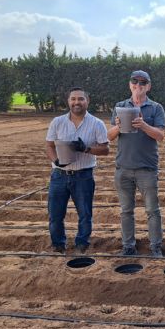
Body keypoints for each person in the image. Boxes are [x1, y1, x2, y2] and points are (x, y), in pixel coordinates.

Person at [108, 70, 165, 256]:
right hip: (123, 168)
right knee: (126, 211)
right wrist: (118, 126)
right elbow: (108, 137)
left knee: (152, 210)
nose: (138, 85)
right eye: (135, 82)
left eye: (143, 83)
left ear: (148, 86)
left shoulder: (156, 108)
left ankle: (155, 247)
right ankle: (128, 246)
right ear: (130, 84)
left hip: (146, 169)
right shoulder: (120, 106)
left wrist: (143, 125)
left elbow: (161, 136)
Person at [45, 87, 109, 254]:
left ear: (87, 101)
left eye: (81, 99)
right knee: (55, 215)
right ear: (68, 101)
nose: (77, 102)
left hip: (83, 175)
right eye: (73, 99)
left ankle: (82, 244)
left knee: (85, 214)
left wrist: (86, 149)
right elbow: (49, 146)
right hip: (59, 175)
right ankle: (58, 245)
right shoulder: (57, 122)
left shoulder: (97, 123)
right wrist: (56, 160)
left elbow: (105, 149)